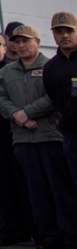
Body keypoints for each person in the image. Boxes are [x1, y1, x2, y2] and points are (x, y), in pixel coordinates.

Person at [0, 25, 77, 249]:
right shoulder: (6, 72)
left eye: (26, 41)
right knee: (36, 192)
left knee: (61, 191)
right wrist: (16, 116)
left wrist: (28, 112)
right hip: (23, 140)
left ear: (38, 42)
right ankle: (48, 236)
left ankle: (69, 236)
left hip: (50, 136)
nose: (20, 45)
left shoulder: (50, 66)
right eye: (17, 41)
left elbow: (55, 96)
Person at [0, 32, 32, 246]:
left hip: (14, 133)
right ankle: (10, 229)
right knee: (0, 186)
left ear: (5, 47)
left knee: (23, 183)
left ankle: (31, 227)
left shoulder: (13, 69)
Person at [43, 11, 77, 192]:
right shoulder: (51, 67)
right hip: (72, 135)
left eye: (69, 31)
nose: (64, 35)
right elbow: (55, 98)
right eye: (58, 31)